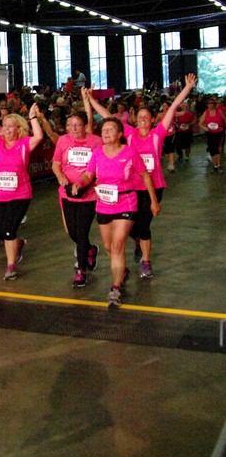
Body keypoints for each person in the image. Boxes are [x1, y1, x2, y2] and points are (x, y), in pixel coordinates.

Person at [86, 74, 196, 278]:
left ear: (153, 120)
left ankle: (146, 262)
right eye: (140, 117)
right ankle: (137, 242)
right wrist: (91, 100)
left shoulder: (158, 134)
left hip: (153, 187)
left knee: (144, 225)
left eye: (147, 117)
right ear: (135, 119)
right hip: (131, 189)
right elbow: (108, 117)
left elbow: (173, 108)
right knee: (131, 227)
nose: (143, 119)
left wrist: (187, 88)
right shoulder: (129, 134)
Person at [73, 118, 160, 308]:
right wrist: (79, 183)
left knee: (117, 244)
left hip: (126, 202)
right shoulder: (97, 153)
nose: (105, 133)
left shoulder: (129, 152)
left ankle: (115, 288)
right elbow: (88, 174)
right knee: (108, 247)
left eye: (110, 129)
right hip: (103, 204)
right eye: (103, 130)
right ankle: (122, 271)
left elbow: (145, 175)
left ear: (120, 134)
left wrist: (153, 201)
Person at [0, 105, 43, 281]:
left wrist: (33, 117)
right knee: (0, 232)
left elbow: (38, 136)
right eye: (4, 126)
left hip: (20, 194)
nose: (6, 129)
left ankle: (11, 266)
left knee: (9, 230)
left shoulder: (24, 144)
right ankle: (18, 243)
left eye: (10, 126)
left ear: (19, 128)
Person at [51, 111, 102, 288]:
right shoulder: (63, 141)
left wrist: (89, 182)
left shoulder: (96, 142)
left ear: (85, 125)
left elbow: (99, 165)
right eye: (69, 125)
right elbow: (56, 164)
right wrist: (60, 177)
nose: (73, 129)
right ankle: (90, 249)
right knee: (73, 233)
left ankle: (81, 271)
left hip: (88, 194)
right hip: (67, 193)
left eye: (77, 125)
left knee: (81, 233)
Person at [198, 96, 224, 173]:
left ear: (214, 104)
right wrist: (205, 128)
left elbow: (225, 120)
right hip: (210, 133)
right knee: (212, 149)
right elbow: (200, 123)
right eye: (208, 103)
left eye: (211, 103)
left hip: (219, 132)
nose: (210, 104)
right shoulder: (206, 112)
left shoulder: (219, 111)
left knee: (217, 149)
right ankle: (215, 165)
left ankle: (218, 165)